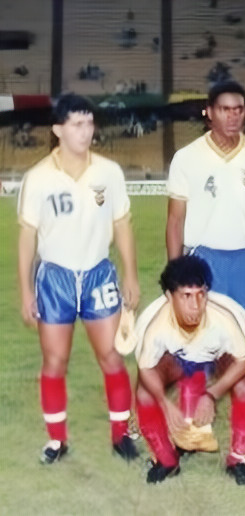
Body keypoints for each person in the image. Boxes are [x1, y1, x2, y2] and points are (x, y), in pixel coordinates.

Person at [165, 80, 245, 453]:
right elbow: (174, 220)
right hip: (205, 259)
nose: (234, 116)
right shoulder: (187, 158)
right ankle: (193, 427)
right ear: (209, 113)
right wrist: (176, 276)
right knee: (202, 343)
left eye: (240, 109)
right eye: (225, 109)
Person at [17, 94, 140, 464]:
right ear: (58, 129)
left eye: (89, 123)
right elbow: (27, 236)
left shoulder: (109, 172)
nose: (86, 132)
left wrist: (130, 273)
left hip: (99, 274)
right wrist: (25, 291)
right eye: (77, 124)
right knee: (55, 361)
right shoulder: (38, 178)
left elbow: (121, 223)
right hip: (54, 278)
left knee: (112, 357)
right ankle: (57, 441)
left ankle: (120, 434)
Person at [134, 256, 245, 486]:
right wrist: (165, 403)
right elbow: (146, 368)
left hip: (217, 356)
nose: (196, 305)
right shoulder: (152, 323)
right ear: (168, 296)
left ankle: (239, 459)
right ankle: (166, 460)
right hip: (178, 358)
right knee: (145, 392)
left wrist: (212, 394)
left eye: (201, 294)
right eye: (186, 296)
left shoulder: (225, 317)